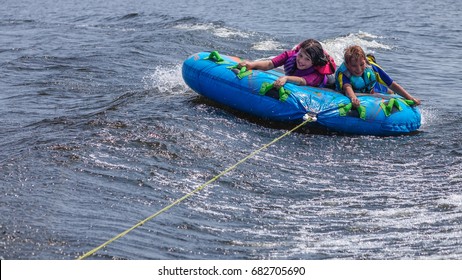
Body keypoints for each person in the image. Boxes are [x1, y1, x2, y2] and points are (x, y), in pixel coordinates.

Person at [335, 45, 421, 107]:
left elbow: (392, 84)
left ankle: (387, 91)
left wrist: (410, 98)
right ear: (347, 65)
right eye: (354, 66)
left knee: (390, 92)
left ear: (365, 60)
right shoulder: (344, 73)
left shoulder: (372, 68)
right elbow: (347, 87)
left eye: (361, 64)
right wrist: (353, 98)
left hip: (371, 88)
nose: (359, 69)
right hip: (354, 90)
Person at [238, 39, 336, 88]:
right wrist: (252, 65)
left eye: (307, 59)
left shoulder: (316, 74)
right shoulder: (290, 55)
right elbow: (270, 64)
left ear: (314, 62)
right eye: (300, 55)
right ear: (298, 51)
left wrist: (286, 78)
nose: (301, 61)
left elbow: (302, 81)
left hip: (327, 82)